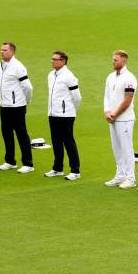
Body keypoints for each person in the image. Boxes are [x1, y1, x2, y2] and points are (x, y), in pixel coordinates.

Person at [44, 51, 82, 180]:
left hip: (66, 115)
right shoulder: (51, 75)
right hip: (53, 113)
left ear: (63, 61)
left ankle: (75, 170)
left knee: (68, 142)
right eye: (52, 59)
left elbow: (77, 97)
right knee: (56, 141)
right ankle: (57, 168)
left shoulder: (68, 76)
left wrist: (70, 111)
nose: (52, 61)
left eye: (55, 59)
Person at [0, 42, 34, 173]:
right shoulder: (1, 65)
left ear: (12, 52)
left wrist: (26, 100)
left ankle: (28, 164)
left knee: (21, 134)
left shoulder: (18, 66)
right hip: (4, 105)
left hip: (17, 106)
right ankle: (10, 161)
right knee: (6, 133)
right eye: (1, 50)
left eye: (5, 50)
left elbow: (28, 87)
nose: (2, 52)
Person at [103, 50, 137, 189]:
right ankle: (120, 175)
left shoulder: (129, 78)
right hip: (112, 118)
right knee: (116, 148)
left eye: (116, 60)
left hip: (125, 119)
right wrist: (107, 111)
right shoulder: (110, 77)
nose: (113, 62)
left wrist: (115, 114)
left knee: (126, 148)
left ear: (124, 61)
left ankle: (131, 178)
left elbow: (127, 100)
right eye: (113, 59)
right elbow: (106, 96)